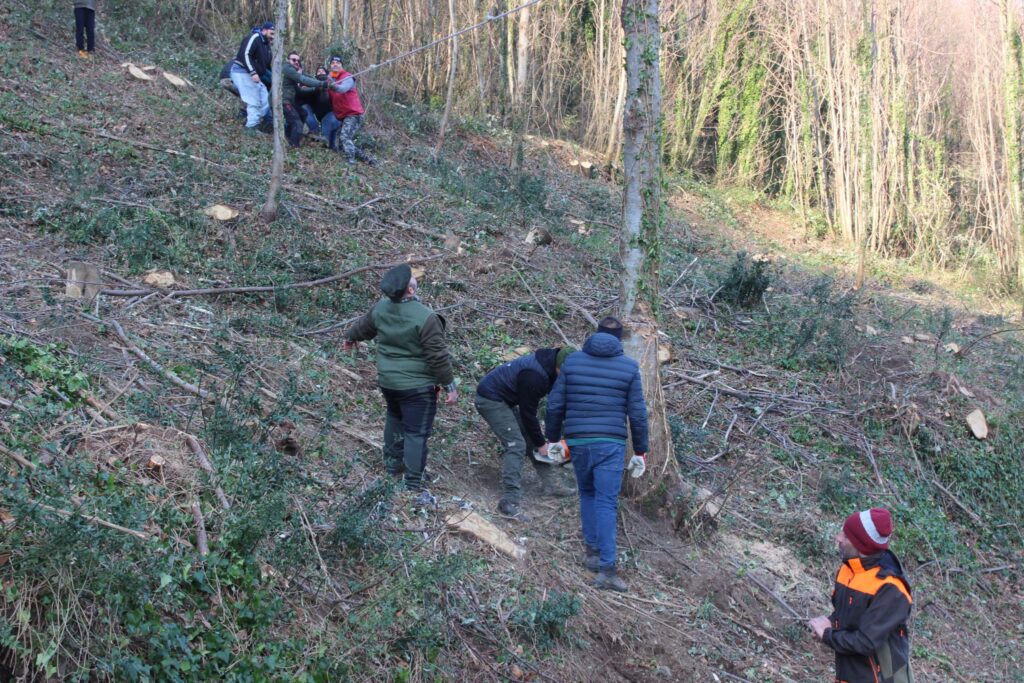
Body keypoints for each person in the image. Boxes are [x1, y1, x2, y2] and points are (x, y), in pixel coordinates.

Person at [544, 316, 648, 592]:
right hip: (610, 443)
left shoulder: (573, 362)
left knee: (588, 494)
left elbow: (555, 404)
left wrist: (553, 438)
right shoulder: (628, 367)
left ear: (594, 335)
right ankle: (607, 569)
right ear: (619, 339)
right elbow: (637, 414)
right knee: (606, 502)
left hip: (579, 440)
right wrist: (640, 451)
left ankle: (591, 553)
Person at [343, 264, 456, 505]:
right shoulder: (426, 317)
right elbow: (438, 356)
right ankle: (413, 483)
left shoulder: (381, 308)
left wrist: (350, 338)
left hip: (388, 382)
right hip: (418, 387)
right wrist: (449, 385)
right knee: (416, 432)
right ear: (410, 290)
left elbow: (363, 327)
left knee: (394, 419)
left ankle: (392, 467)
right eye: (412, 280)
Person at [808, 508, 913, 683]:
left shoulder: (891, 589)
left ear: (862, 545)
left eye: (847, 536)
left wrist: (827, 635)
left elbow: (866, 642)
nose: (838, 538)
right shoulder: (848, 571)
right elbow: (849, 617)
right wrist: (829, 623)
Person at [475, 347, 577, 519]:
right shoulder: (534, 376)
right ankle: (510, 499)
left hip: (508, 399)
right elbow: (528, 414)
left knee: (531, 438)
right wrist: (542, 444)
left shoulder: (552, 369)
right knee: (517, 444)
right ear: (559, 366)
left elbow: (555, 405)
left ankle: (551, 484)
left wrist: (554, 437)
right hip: (491, 399)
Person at [322, 56, 375, 165]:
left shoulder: (347, 77)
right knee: (342, 142)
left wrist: (332, 83)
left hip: (353, 114)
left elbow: (342, 89)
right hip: (343, 115)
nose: (335, 64)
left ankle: (351, 161)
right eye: (332, 63)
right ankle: (368, 159)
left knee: (345, 137)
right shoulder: (331, 79)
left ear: (341, 65)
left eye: (337, 62)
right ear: (330, 66)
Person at [230, 22, 275, 134]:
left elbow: (266, 67)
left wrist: (274, 81)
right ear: (264, 30)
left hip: (254, 76)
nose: (272, 36)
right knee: (253, 100)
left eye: (274, 35)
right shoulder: (255, 37)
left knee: (265, 99)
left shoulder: (267, 47)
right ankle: (250, 128)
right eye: (271, 33)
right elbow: (245, 54)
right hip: (242, 72)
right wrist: (253, 72)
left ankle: (253, 119)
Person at [281, 52, 330, 148]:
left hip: (290, 102)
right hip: (284, 100)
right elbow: (302, 79)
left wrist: (316, 88)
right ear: (287, 60)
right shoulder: (287, 69)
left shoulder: (292, 73)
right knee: (297, 123)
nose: (296, 62)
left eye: (298, 60)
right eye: (293, 60)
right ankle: (294, 146)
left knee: (303, 113)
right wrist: (320, 84)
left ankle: (287, 137)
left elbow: (299, 90)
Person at [298, 66, 332, 138]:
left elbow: (324, 99)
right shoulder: (311, 82)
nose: (320, 72)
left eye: (323, 71)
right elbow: (302, 89)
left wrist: (324, 89)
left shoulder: (331, 82)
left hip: (329, 112)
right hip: (316, 110)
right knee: (305, 108)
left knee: (327, 136)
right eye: (318, 71)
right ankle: (315, 131)